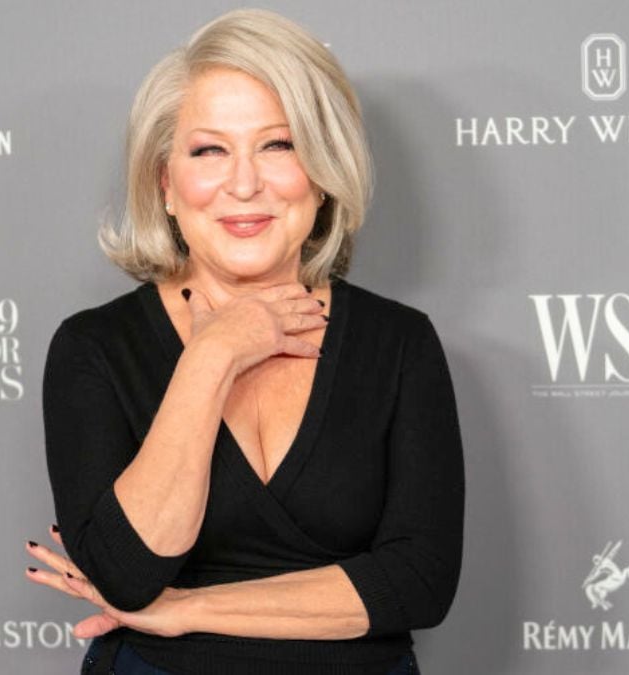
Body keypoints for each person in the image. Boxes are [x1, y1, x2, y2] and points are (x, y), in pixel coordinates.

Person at [25, 9, 464, 674]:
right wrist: (213, 353)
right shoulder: (95, 349)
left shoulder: (398, 344)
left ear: (321, 172)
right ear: (166, 185)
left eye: (278, 145)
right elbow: (127, 573)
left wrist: (188, 610)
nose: (244, 183)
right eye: (209, 150)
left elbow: (417, 581)